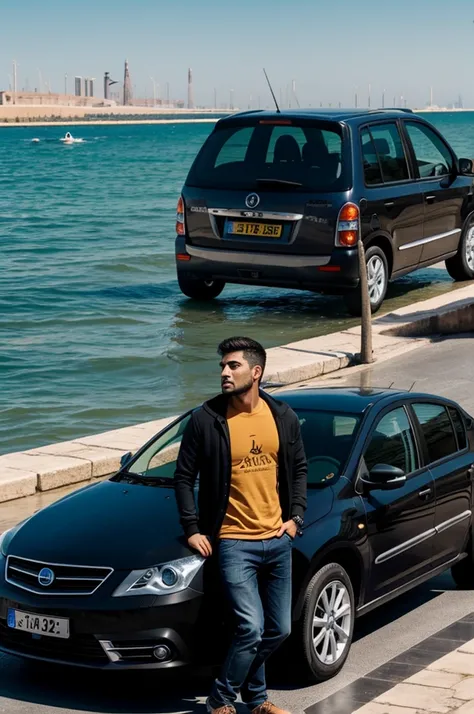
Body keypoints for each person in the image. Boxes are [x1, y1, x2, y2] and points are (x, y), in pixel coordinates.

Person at [174, 336, 307, 714]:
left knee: (278, 629)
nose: (224, 373)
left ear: (256, 371)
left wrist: (296, 517)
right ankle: (223, 698)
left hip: (278, 540)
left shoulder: (282, 416)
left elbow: (299, 468)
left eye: (233, 366)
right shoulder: (206, 419)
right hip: (233, 542)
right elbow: (183, 477)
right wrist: (192, 528)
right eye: (222, 366)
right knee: (250, 627)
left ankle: (255, 697)